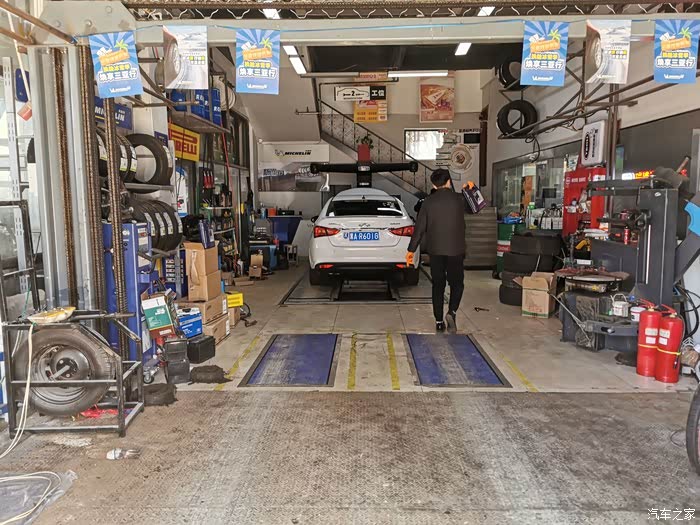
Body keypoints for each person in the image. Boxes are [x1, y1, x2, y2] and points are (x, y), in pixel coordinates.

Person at [406, 169, 465, 333]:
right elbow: (477, 207)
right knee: (457, 284)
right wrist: (472, 191)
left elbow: (419, 228)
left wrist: (411, 250)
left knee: (438, 285)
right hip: (456, 250)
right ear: (449, 182)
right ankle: (452, 312)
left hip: (436, 250)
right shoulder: (459, 199)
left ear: (433, 185)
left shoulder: (428, 202)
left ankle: (439, 321)